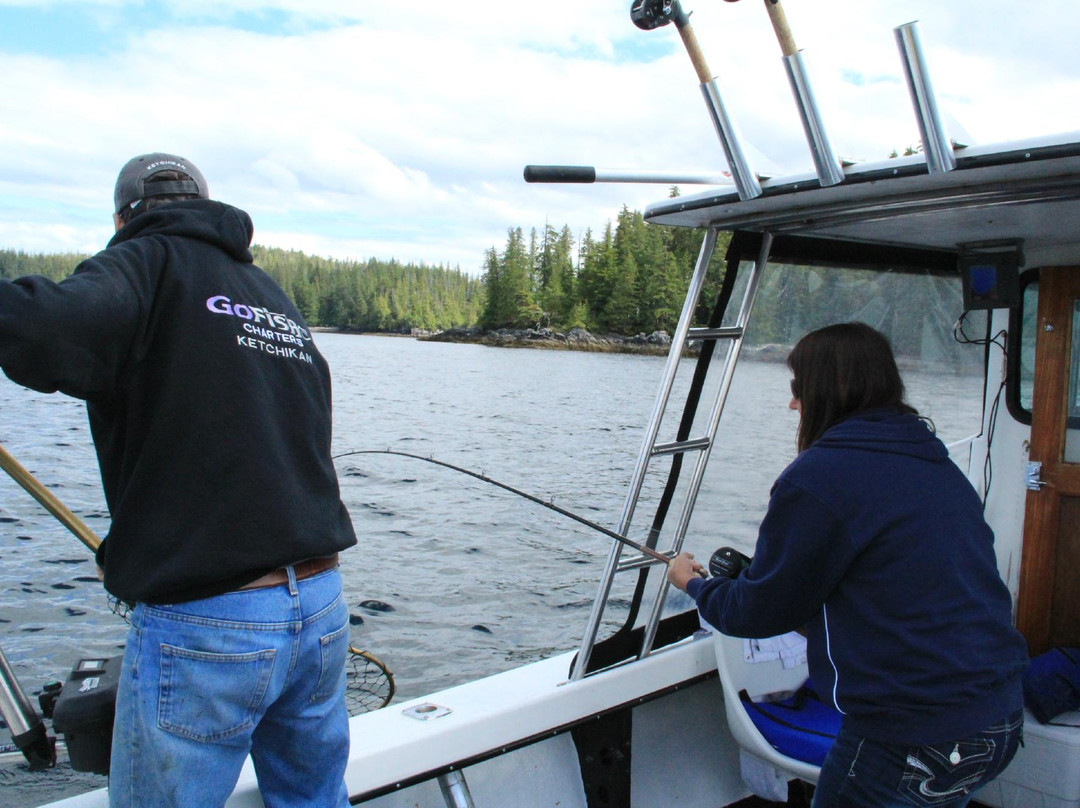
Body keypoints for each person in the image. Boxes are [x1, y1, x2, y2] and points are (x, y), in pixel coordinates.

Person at [0, 153, 358, 807]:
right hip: (320, 607)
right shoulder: (268, 296)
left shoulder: (145, 262)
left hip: (215, 623)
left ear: (123, 219)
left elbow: (38, 325)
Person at [668, 322, 1028, 808]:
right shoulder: (932, 461)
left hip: (914, 734)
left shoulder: (818, 478)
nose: (792, 403)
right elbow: (893, 587)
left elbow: (754, 612)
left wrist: (694, 585)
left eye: (797, 387)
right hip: (998, 717)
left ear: (829, 388)